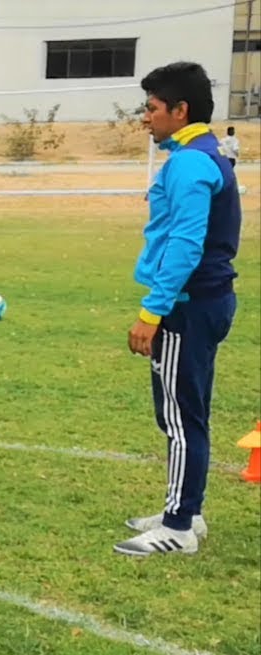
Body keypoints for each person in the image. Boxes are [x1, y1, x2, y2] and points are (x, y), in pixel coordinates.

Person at [115, 61, 239, 557]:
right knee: (185, 415)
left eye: (152, 108)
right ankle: (185, 509)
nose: (145, 118)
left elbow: (186, 245)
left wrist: (152, 312)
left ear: (179, 110)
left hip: (188, 308)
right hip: (203, 303)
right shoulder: (200, 154)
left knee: (181, 419)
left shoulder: (189, 163)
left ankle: (179, 526)